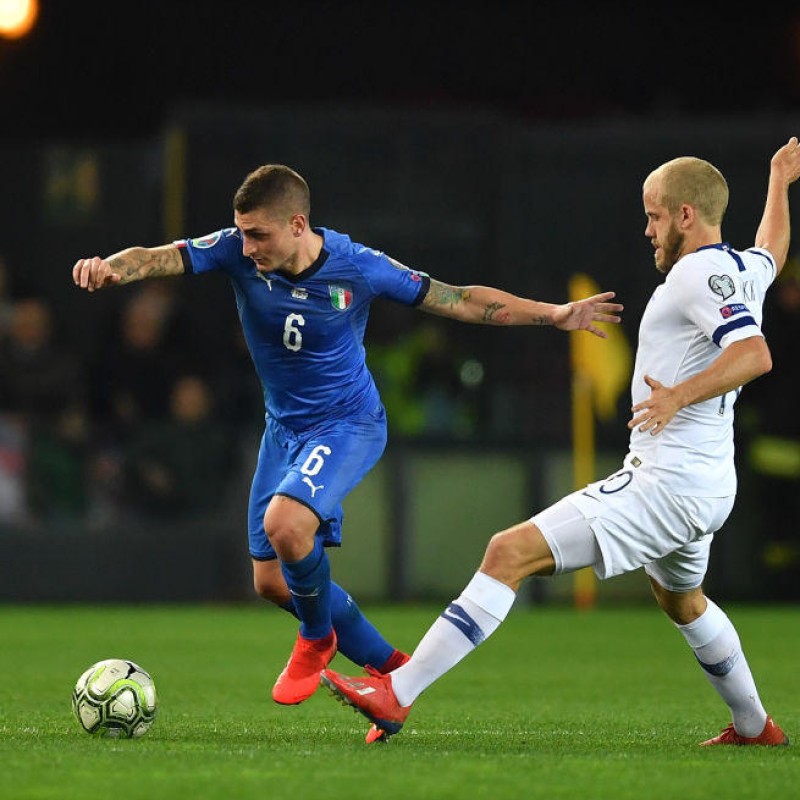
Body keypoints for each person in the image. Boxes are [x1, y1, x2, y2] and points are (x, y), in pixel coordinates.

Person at [72, 164, 622, 707]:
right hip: (283, 429)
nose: (246, 248)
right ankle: (391, 670)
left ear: (297, 224)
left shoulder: (358, 267)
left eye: (258, 234)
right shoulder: (237, 251)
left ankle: (317, 638)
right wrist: (114, 268)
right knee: (271, 582)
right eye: (241, 233)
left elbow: (458, 298)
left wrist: (554, 314)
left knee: (286, 525)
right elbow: (163, 255)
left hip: (347, 423)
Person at [321, 138, 800, 747]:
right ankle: (757, 727)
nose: (647, 229)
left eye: (654, 215)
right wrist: (779, 181)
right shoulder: (736, 270)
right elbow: (772, 254)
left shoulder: (699, 271)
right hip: (706, 481)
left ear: (686, 214)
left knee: (507, 551)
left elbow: (754, 354)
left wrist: (680, 395)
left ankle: (397, 692)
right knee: (682, 601)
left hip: (670, 482)